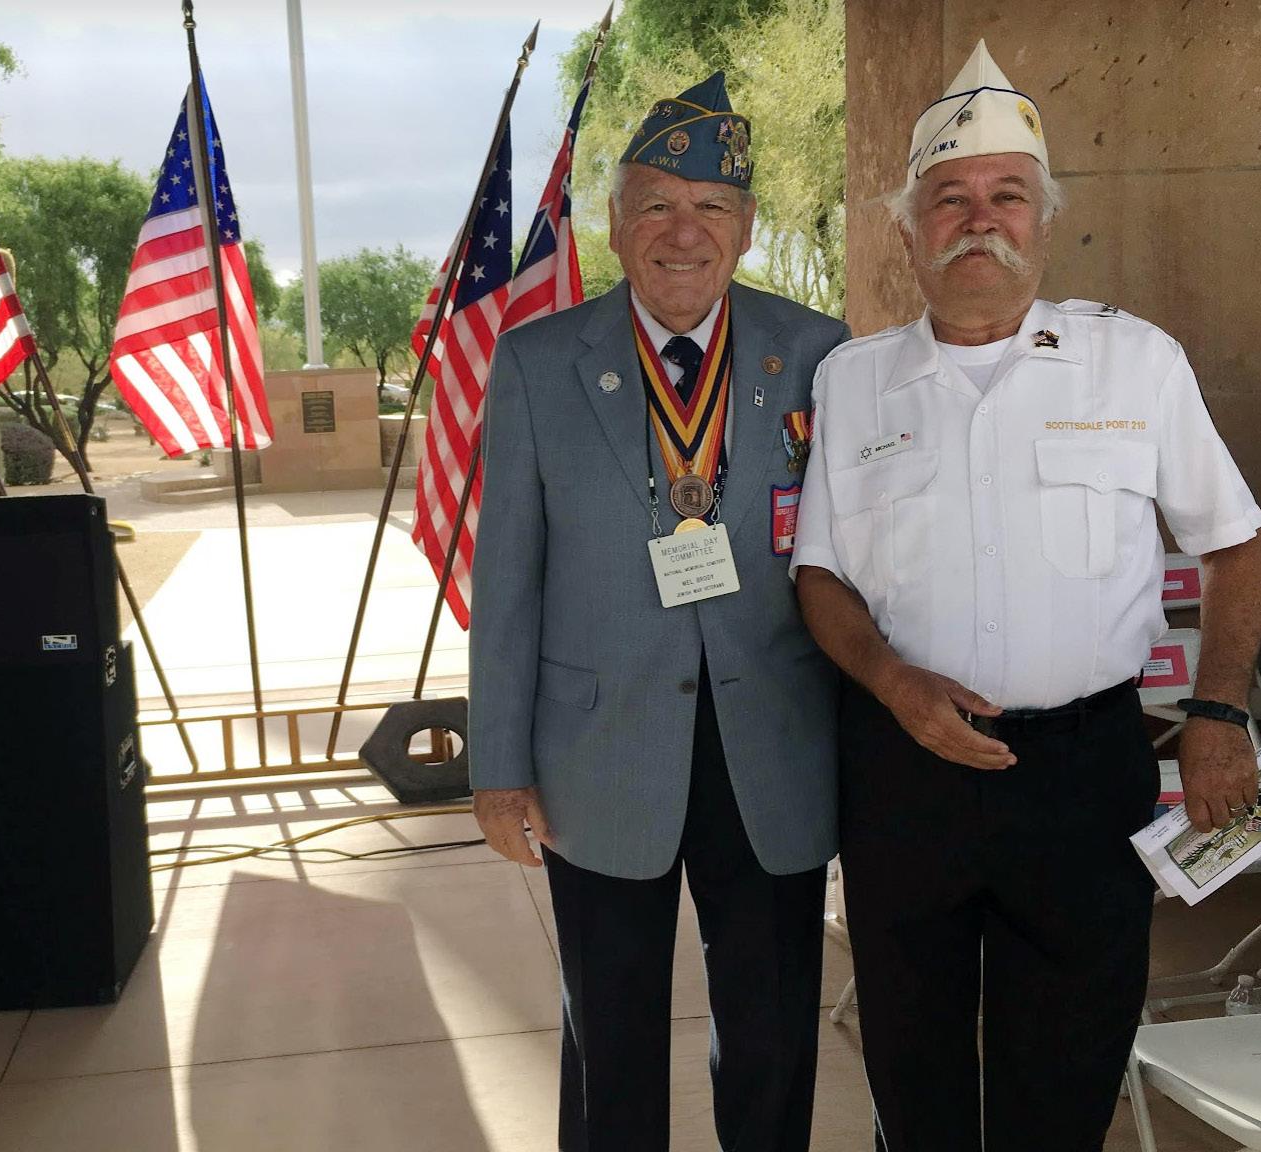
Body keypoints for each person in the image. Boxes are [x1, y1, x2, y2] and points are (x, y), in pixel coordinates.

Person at [790, 40, 1261, 1152]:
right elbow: (819, 573)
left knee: (1068, 1066)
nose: (978, 220)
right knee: (912, 1064)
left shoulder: (1135, 362)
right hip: (904, 770)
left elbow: (1233, 543)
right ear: (908, 230)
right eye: (948, 198)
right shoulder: (852, 381)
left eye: (1006, 195)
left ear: (1045, 222)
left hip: (1083, 774)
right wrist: (892, 681)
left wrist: (1216, 714)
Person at [468, 72, 849, 1152]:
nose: (684, 233)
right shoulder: (538, 362)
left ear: (748, 225)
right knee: (611, 1033)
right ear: (614, 220)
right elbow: (508, 577)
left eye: (711, 207)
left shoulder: (819, 351)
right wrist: (497, 764)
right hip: (598, 751)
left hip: (771, 743)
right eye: (656, 206)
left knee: (771, 1031)